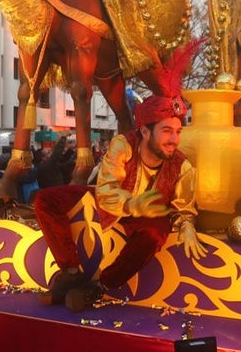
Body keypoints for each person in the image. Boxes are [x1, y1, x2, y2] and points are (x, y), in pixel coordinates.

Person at [34, 91, 207, 313]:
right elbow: (106, 190)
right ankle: (70, 273)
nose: (174, 139)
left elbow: (183, 207)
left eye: (177, 132)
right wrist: (132, 204)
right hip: (110, 203)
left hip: (146, 218)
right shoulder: (123, 145)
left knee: (155, 234)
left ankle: (99, 287)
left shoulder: (183, 166)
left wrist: (187, 225)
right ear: (145, 131)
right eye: (166, 131)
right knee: (46, 200)